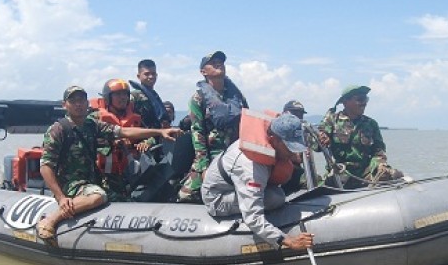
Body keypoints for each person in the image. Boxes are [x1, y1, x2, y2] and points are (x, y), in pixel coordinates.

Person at [36, 86, 180, 244]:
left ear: (86, 103)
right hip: (70, 184)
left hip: (91, 182)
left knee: (128, 205)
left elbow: (124, 132)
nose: (78, 104)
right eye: (73, 101)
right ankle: (51, 219)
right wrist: (61, 197)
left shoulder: (92, 125)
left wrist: (159, 132)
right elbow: (45, 166)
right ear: (65, 105)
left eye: (82, 100)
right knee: (98, 196)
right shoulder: (58, 130)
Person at [202, 113, 314, 250]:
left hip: (235, 184)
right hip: (218, 198)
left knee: (276, 195)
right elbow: (252, 218)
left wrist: (291, 156)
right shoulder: (251, 166)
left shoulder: (272, 145)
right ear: (274, 139)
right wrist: (288, 240)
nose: (292, 153)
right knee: (274, 198)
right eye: (290, 148)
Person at [177, 50, 249, 203]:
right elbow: (198, 132)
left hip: (236, 154)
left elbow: (247, 124)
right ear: (203, 71)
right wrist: (203, 166)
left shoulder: (237, 96)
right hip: (212, 154)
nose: (218, 63)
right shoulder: (198, 98)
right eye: (212, 62)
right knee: (185, 195)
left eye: (221, 61)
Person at [316, 85, 403, 188]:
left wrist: (380, 165)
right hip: (340, 172)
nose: (364, 103)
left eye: (366, 99)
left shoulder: (371, 124)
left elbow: (379, 151)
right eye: (360, 99)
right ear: (345, 102)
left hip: (364, 174)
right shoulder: (332, 120)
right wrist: (322, 137)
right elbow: (316, 147)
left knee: (394, 174)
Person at [94, 78, 144, 201]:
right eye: (117, 94)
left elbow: (150, 136)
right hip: (102, 176)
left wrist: (145, 142)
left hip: (128, 175)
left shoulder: (135, 118)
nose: (122, 98)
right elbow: (87, 141)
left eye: (125, 94)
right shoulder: (94, 118)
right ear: (108, 97)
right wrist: (111, 142)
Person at [281, 100, 308, 193]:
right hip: (280, 173)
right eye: (295, 113)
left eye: (300, 114)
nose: (298, 117)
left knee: (317, 181)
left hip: (296, 172)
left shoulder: (302, 133)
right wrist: (292, 156)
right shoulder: (277, 130)